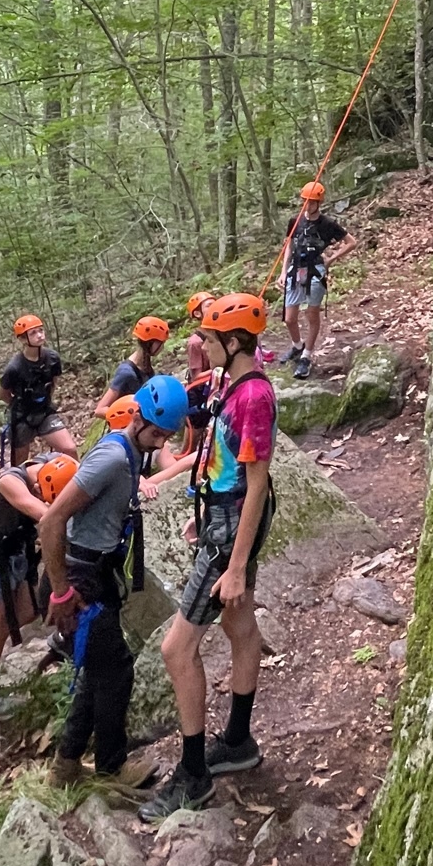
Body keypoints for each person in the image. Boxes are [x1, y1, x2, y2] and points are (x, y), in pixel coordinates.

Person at [141, 293, 278, 821]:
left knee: (176, 651)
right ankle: (238, 741)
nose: (200, 344)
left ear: (236, 342)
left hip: (230, 538)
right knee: (240, 630)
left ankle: (194, 773)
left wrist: (236, 564)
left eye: (211, 338)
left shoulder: (253, 397)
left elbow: (258, 484)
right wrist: (205, 503)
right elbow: (225, 461)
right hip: (220, 518)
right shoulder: (233, 383)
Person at [39, 380, 188, 789]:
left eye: (166, 436)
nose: (160, 442)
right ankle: (111, 767)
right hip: (76, 576)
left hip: (97, 571)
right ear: (136, 418)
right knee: (117, 670)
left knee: (101, 670)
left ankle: (67, 765)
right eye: (156, 433)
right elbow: (50, 522)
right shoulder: (111, 458)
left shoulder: (134, 453)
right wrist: (61, 591)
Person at [0, 453, 78, 722]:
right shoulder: (10, 480)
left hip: (16, 553)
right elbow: (41, 513)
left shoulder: (57, 463)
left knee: (27, 613)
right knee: (1, 627)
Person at [281, 182, 353, 379]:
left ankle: (306, 356)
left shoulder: (327, 224)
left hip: (315, 271)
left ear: (318, 203)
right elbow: (289, 245)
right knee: (289, 318)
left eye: (311, 201)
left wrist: (331, 259)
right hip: (295, 270)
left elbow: (351, 242)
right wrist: (283, 270)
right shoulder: (295, 221)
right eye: (305, 201)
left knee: (312, 315)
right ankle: (297, 345)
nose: (307, 204)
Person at [2, 315, 78, 461]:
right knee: (20, 465)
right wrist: (21, 405)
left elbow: (53, 383)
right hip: (22, 418)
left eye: (41, 330)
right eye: (33, 333)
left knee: (70, 449)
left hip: (44, 413)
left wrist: (44, 401)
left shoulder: (52, 358)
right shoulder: (14, 368)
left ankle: (82, 480)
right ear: (23, 339)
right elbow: (3, 394)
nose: (39, 335)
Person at [95, 317, 170, 418]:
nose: (162, 348)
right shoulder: (126, 373)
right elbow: (100, 410)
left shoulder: (146, 366)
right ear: (150, 343)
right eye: (160, 344)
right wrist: (130, 415)